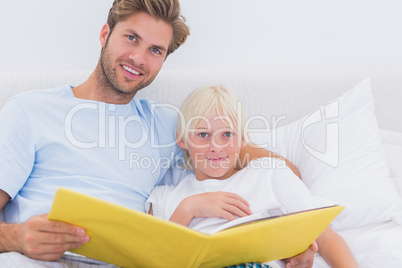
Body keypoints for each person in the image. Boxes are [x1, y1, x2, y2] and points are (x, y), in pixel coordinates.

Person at [0, 0, 315, 267]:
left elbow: (271, 167)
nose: (138, 59)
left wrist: (292, 237)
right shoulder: (29, 111)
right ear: (105, 33)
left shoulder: (168, 125)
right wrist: (16, 236)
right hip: (38, 259)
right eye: (132, 38)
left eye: (155, 50)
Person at [146, 85, 359, 268]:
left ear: (242, 140)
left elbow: (327, 238)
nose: (216, 146)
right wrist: (188, 209)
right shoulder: (164, 197)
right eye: (203, 135)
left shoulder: (270, 175)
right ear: (182, 140)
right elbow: (153, 259)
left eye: (227, 134)